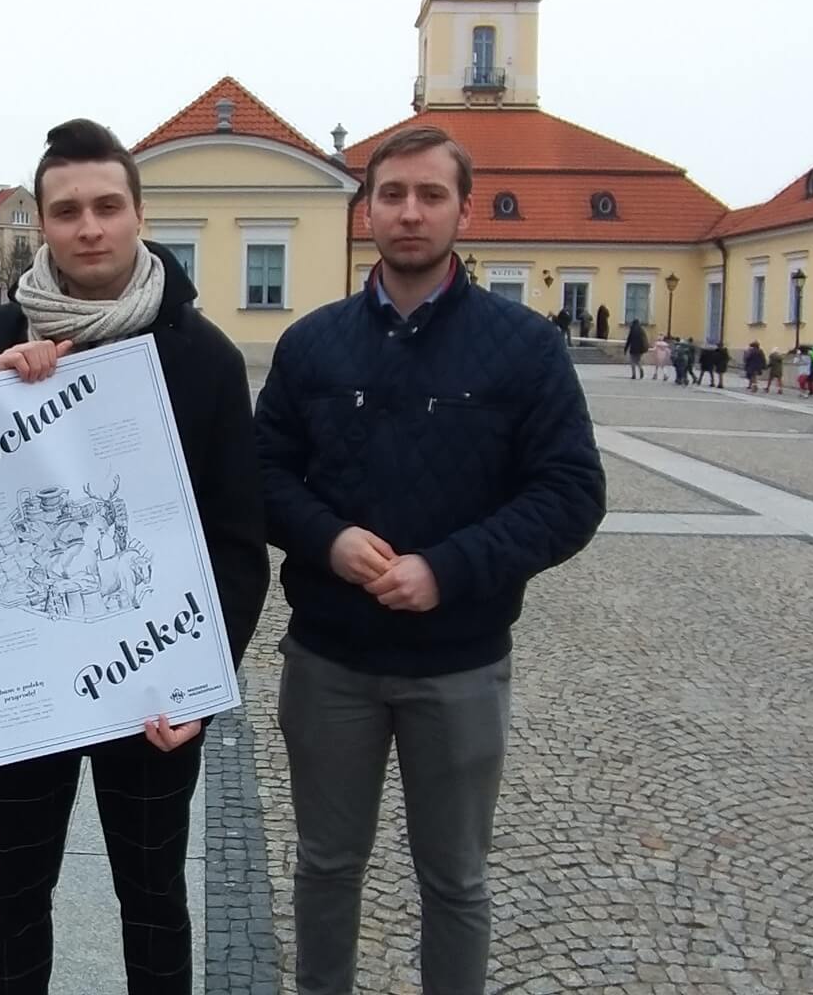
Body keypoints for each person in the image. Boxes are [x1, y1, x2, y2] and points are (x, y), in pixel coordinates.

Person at [0, 119, 269, 995]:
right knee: (15, 894)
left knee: (153, 898)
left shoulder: (205, 357)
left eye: (109, 206)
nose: (90, 226)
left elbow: (237, 540)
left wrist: (202, 679)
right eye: (68, 210)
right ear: (42, 222)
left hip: (151, 684)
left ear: (139, 214)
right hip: (28, 685)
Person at [256, 125, 605, 995]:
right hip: (331, 659)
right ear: (366, 207)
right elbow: (259, 474)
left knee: (455, 878)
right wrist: (327, 540)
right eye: (393, 195)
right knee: (326, 865)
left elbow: (569, 493)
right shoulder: (313, 344)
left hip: (459, 662)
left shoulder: (524, 347)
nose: (410, 212)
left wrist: (450, 567)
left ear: (462, 208)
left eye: (431, 195)